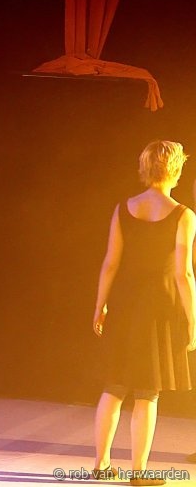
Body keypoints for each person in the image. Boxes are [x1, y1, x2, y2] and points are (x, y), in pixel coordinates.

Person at [91, 140, 196, 486]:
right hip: (160, 308)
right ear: (176, 170)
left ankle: (101, 464)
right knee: (148, 392)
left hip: (125, 302)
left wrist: (100, 305)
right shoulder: (184, 215)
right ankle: (138, 472)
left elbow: (110, 262)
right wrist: (193, 319)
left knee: (114, 386)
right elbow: (184, 274)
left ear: (145, 169)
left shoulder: (124, 208)